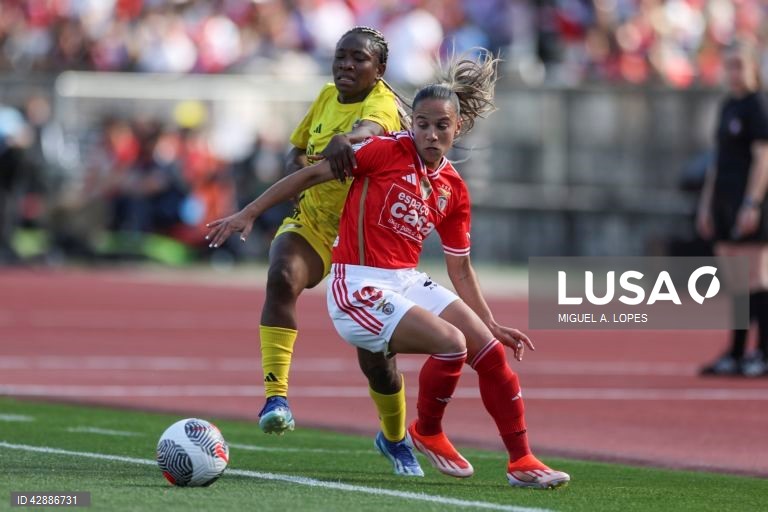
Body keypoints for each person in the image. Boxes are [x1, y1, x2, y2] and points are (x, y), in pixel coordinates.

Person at [206, 50, 571, 489]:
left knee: (489, 353)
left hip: (405, 280)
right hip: (356, 284)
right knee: (451, 343)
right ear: (410, 123)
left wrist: (491, 323)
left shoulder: (453, 188)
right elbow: (308, 175)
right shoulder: (384, 152)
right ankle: (427, 431)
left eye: (442, 126)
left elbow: (461, 269)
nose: (431, 134)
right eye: (422, 124)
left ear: (458, 128)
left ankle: (522, 461)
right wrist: (248, 212)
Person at [251, 26, 423, 475]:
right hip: (313, 222)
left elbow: (367, 130)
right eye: (341, 56)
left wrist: (349, 138)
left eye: (359, 59)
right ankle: (276, 398)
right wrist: (295, 163)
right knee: (281, 275)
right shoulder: (327, 96)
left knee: (376, 359)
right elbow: (297, 148)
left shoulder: (382, 105)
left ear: (380, 70)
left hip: (362, 242)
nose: (346, 65)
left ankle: (395, 436)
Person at [697, 39, 768, 377]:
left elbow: (763, 158)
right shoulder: (728, 106)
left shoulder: (758, 106)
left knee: (756, 277)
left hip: (747, 201)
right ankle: (738, 352)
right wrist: (706, 206)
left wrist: (752, 203)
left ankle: (763, 352)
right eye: (729, 65)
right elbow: (717, 161)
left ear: (754, 67)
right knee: (736, 281)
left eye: (740, 64)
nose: (734, 72)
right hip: (724, 200)